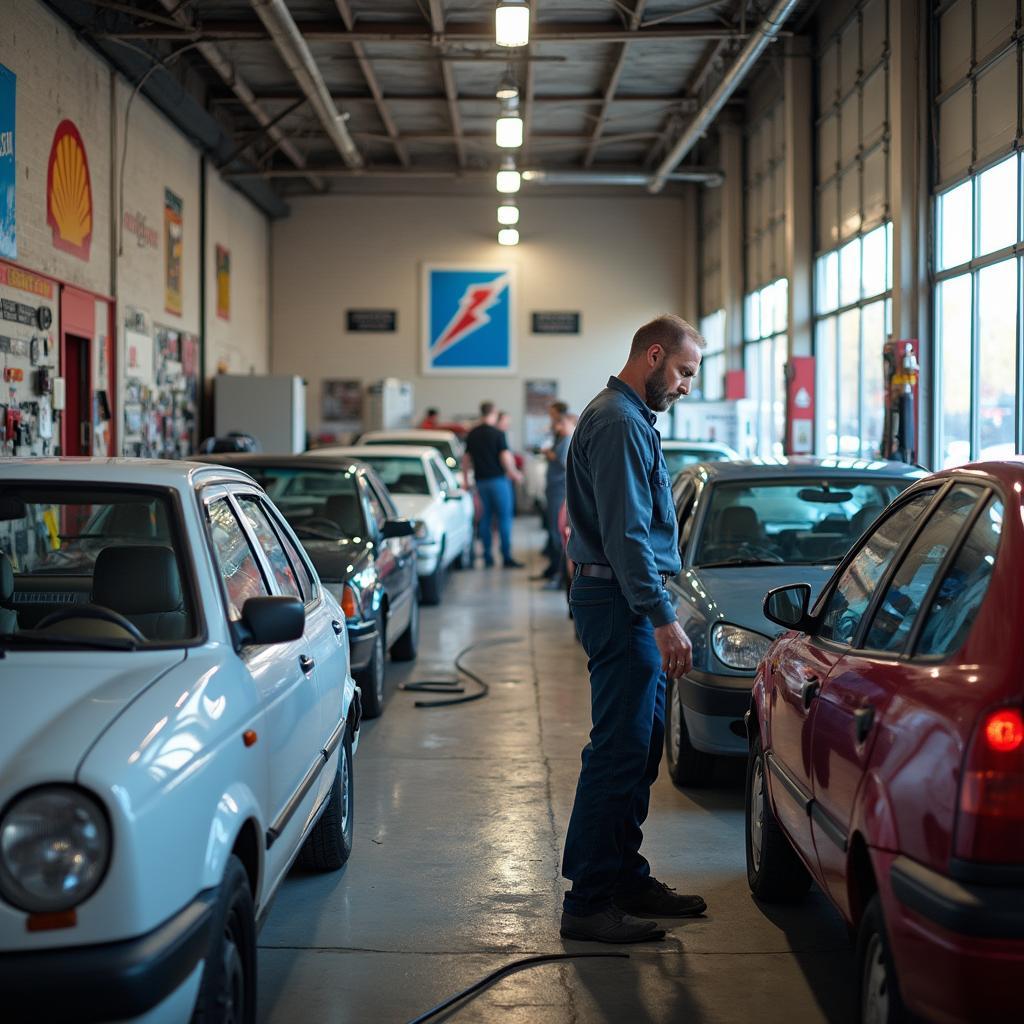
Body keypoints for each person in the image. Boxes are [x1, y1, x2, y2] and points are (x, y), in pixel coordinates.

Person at [560, 314, 707, 944]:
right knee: (618, 752)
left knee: (641, 749)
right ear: (653, 355)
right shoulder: (619, 421)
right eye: (683, 373)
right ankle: (589, 901)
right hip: (621, 605)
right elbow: (625, 535)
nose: (685, 387)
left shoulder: (631, 418)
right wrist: (662, 617)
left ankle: (624, 876)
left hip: (626, 602)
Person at [465, 401, 524, 568]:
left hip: (480, 482)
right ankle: (506, 557)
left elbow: (466, 458)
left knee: (485, 519)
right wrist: (514, 473)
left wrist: (464, 480)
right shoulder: (497, 433)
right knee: (505, 518)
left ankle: (487, 557)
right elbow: (504, 456)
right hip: (498, 481)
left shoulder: (473, 433)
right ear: (494, 412)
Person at [540, 412, 575, 589]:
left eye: (561, 424)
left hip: (560, 491)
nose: (558, 427)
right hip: (554, 490)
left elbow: (564, 463)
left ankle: (558, 576)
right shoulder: (561, 439)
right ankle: (554, 572)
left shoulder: (568, 440)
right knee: (553, 530)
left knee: (558, 532)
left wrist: (549, 453)